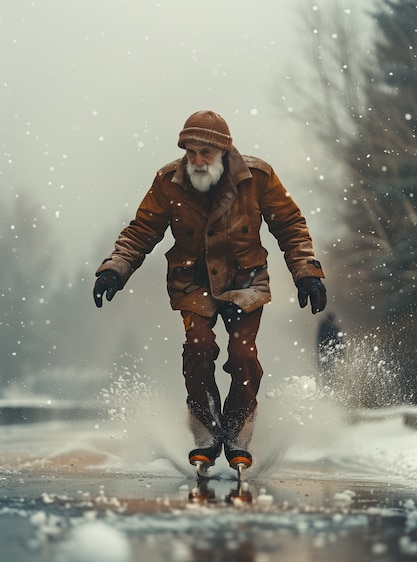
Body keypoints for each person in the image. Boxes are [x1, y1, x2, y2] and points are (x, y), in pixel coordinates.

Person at [93, 110, 326, 475]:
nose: (197, 161)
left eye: (206, 153)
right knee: (199, 348)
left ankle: (237, 433)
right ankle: (205, 430)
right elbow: (141, 231)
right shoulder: (168, 181)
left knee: (243, 355)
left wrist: (306, 272)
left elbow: (291, 225)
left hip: (245, 279)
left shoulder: (257, 177)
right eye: (191, 152)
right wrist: (115, 268)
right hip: (192, 281)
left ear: (223, 150)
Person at [317, 312, 344, 391]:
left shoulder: (326, 328)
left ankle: (328, 388)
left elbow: (339, 341)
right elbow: (339, 342)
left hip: (328, 353)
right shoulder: (331, 329)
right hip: (328, 353)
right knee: (328, 371)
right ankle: (327, 388)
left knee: (328, 372)